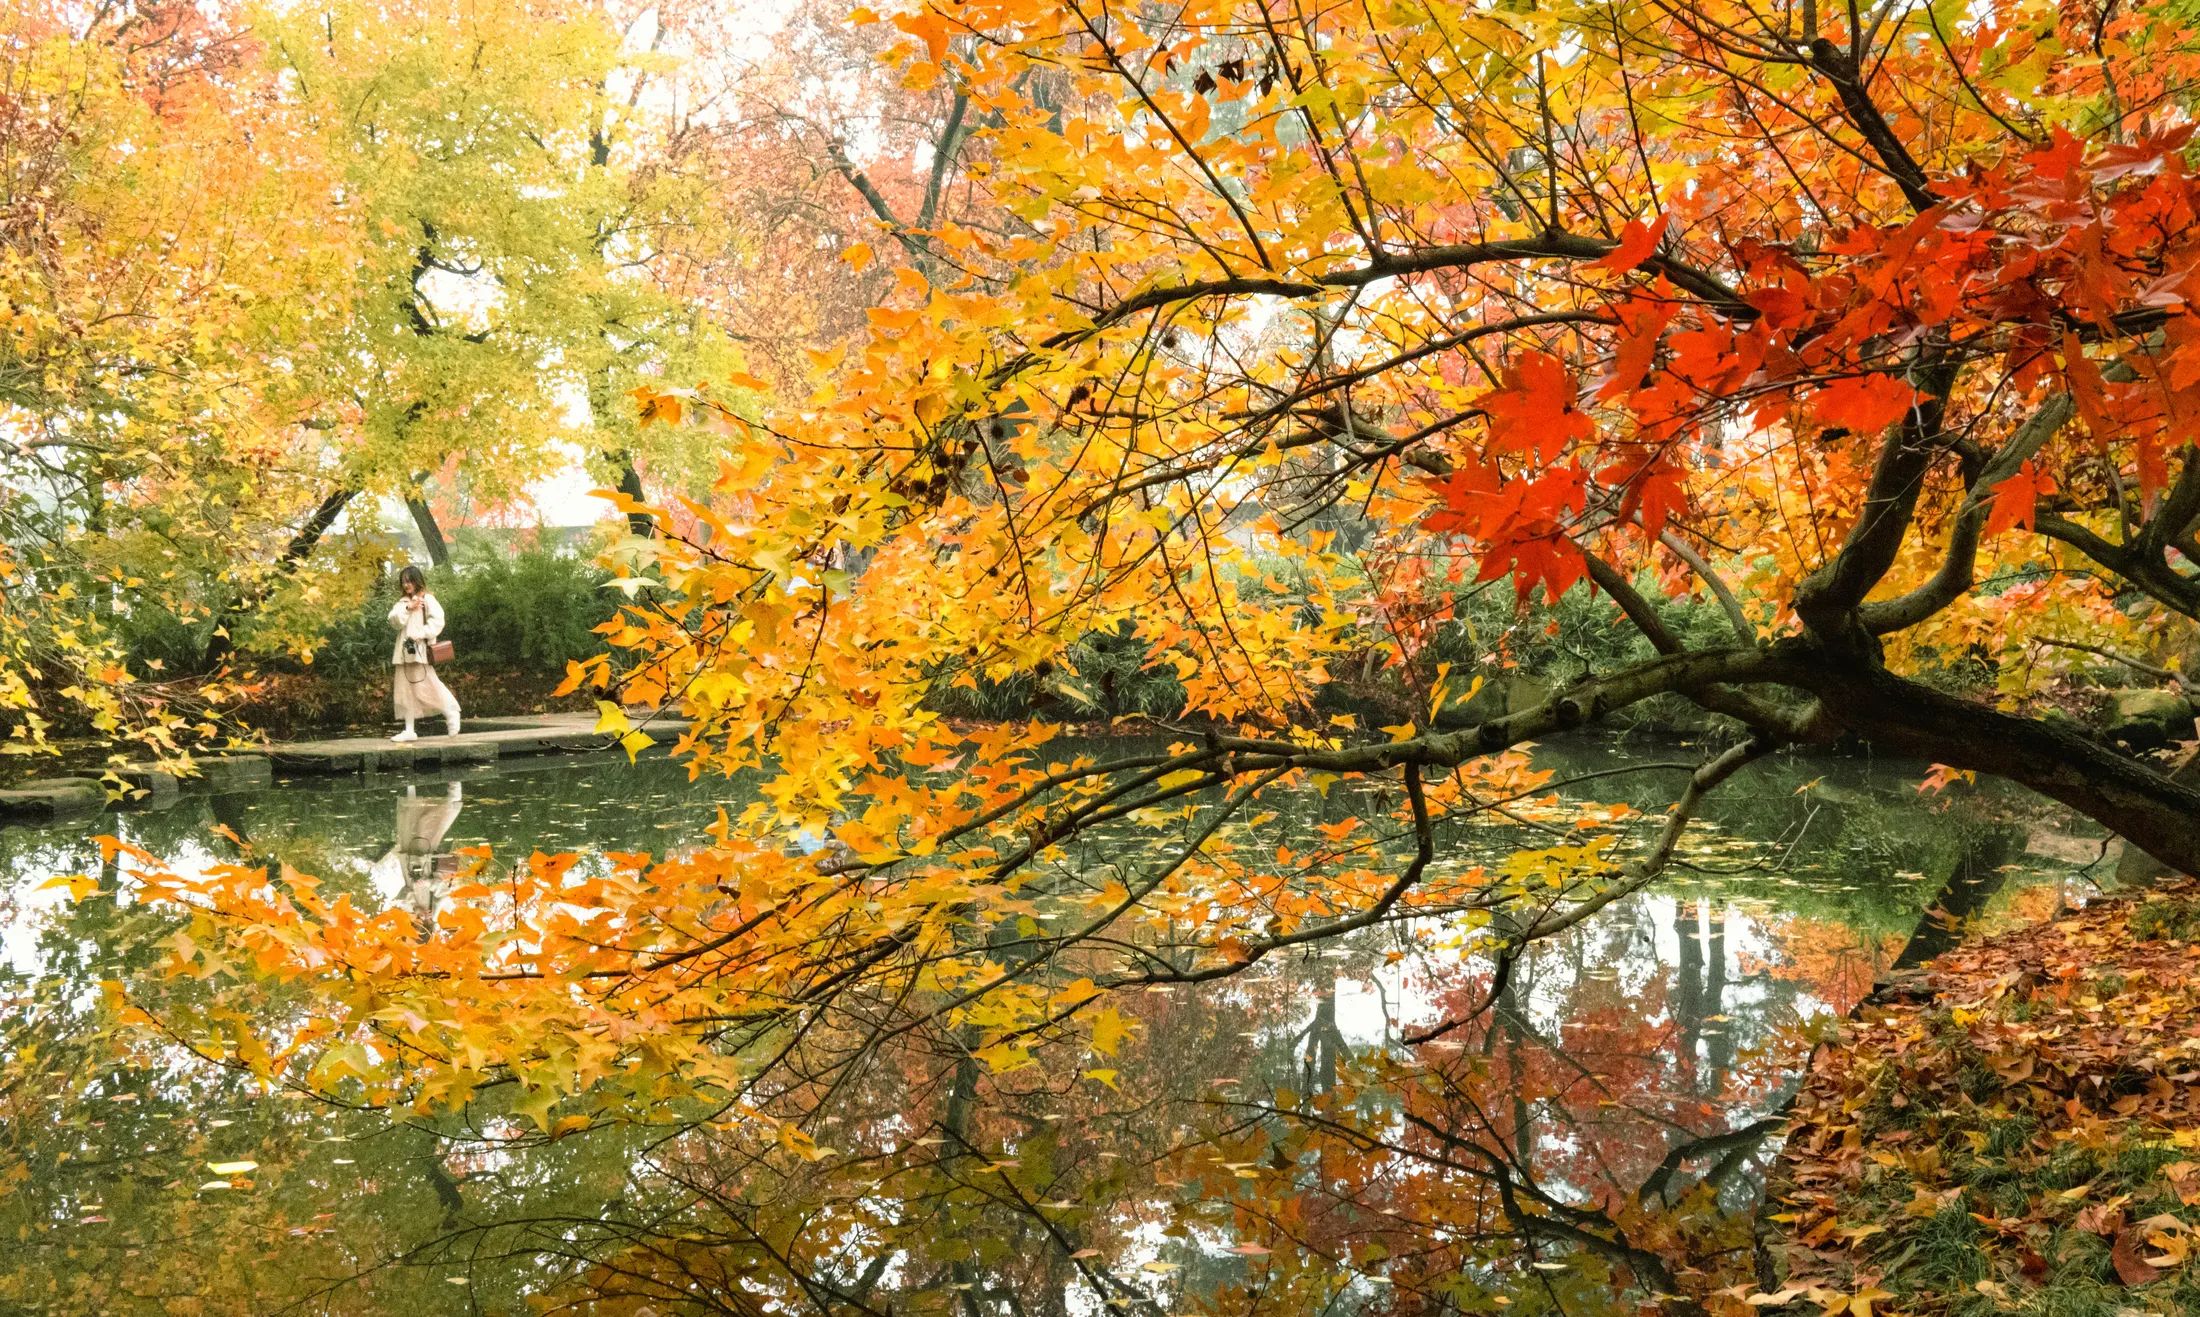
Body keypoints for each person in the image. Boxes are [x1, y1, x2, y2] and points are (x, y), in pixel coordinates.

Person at [388, 564, 461, 741]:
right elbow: (393, 621)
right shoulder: (403, 602)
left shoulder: (427, 599)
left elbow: (438, 620)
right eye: (403, 581)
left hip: (419, 652)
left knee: (428, 685)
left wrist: (422, 633)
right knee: (405, 690)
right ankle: (409, 729)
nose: (406, 585)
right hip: (404, 652)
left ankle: (451, 712)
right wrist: (409, 608)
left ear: (416, 580)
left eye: (409, 580)